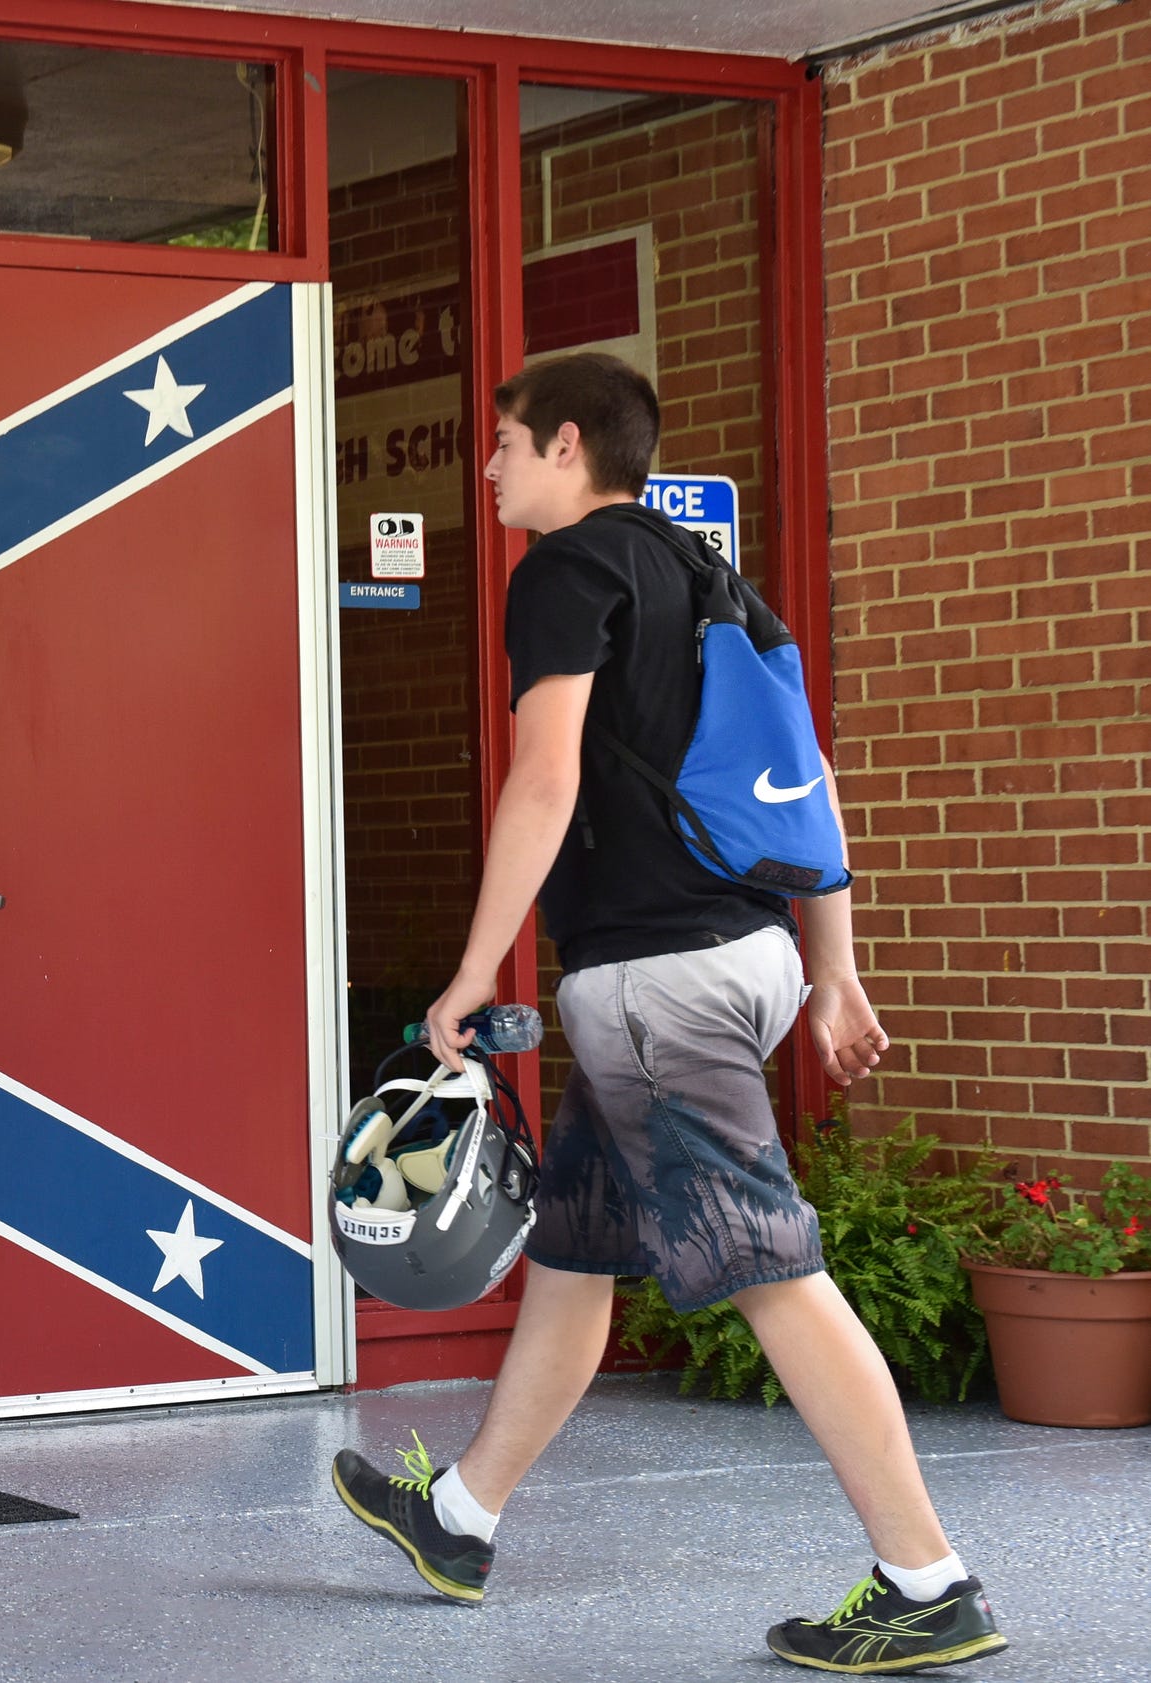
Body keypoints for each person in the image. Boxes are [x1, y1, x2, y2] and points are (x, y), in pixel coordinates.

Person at [327, 353, 1008, 1674]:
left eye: (506, 443)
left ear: (567, 445)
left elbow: (544, 779)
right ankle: (462, 1519)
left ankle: (929, 1579)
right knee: (580, 1255)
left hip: (660, 982)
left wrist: (474, 973)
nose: (490, 468)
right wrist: (833, 968)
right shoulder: (711, 578)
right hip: (742, 953)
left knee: (770, 1270)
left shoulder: (567, 574)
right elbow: (801, 784)